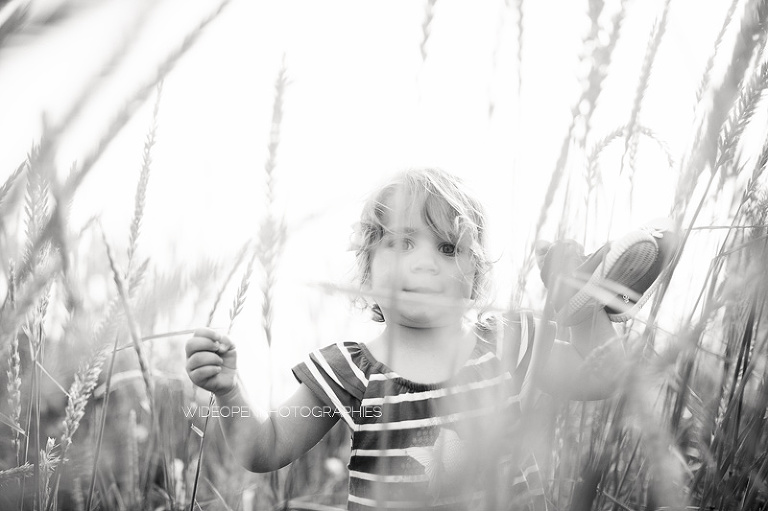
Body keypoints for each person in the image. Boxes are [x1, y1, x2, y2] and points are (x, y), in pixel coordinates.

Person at [185, 168, 677, 510]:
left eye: (447, 247)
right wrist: (230, 391)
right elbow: (265, 449)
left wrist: (583, 306)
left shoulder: (508, 344)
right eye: (401, 242)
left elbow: (601, 378)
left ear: (474, 272)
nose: (424, 261)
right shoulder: (351, 373)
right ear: (367, 269)